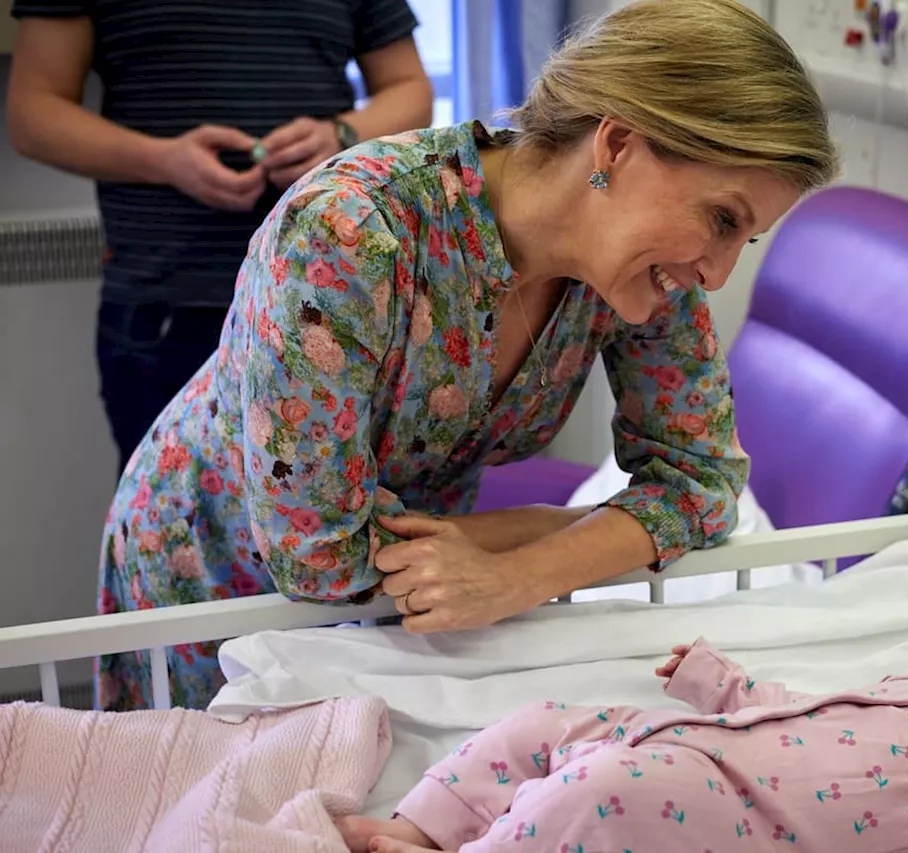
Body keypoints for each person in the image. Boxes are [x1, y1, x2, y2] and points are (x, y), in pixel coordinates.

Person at [90, 0, 839, 713]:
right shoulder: (352, 232)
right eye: (721, 218)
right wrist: (546, 527)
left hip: (416, 586)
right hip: (217, 572)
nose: (717, 272)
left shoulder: (643, 283)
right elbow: (316, 552)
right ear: (616, 145)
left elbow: (705, 485)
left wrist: (520, 574)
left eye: (747, 239)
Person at [5, 0, 435, 473]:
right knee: (169, 523)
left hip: (329, 302)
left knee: (341, 514)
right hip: (168, 308)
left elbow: (409, 88)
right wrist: (162, 160)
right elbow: (33, 112)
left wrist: (342, 134)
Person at [338, 619, 908, 853]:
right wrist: (726, 683)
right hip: (697, 735)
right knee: (545, 725)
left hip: (714, 814)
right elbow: (801, 706)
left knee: (595, 800)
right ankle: (424, 822)